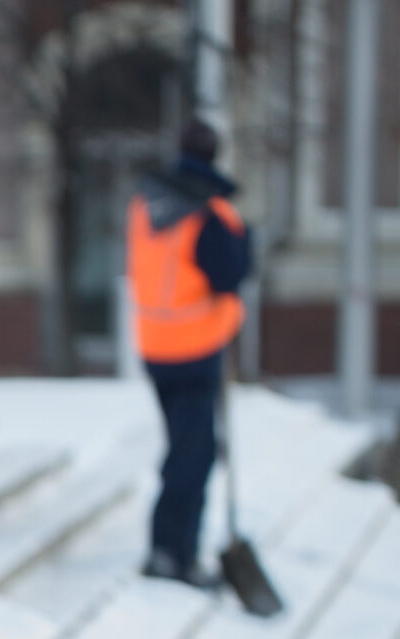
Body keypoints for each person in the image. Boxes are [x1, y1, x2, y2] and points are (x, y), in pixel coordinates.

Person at [128, 117, 255, 590]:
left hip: (154, 345)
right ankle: (171, 553)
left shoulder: (146, 204)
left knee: (186, 446)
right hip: (198, 347)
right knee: (194, 453)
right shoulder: (210, 215)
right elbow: (228, 276)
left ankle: (174, 550)